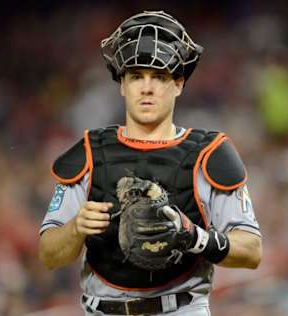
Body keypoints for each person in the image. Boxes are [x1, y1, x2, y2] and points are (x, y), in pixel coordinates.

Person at [39, 10, 262, 316]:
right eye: (136, 76)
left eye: (159, 77)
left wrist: (196, 237)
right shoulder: (90, 152)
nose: (146, 88)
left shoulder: (210, 154)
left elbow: (251, 250)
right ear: (122, 84)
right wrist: (76, 228)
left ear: (179, 84)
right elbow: (49, 254)